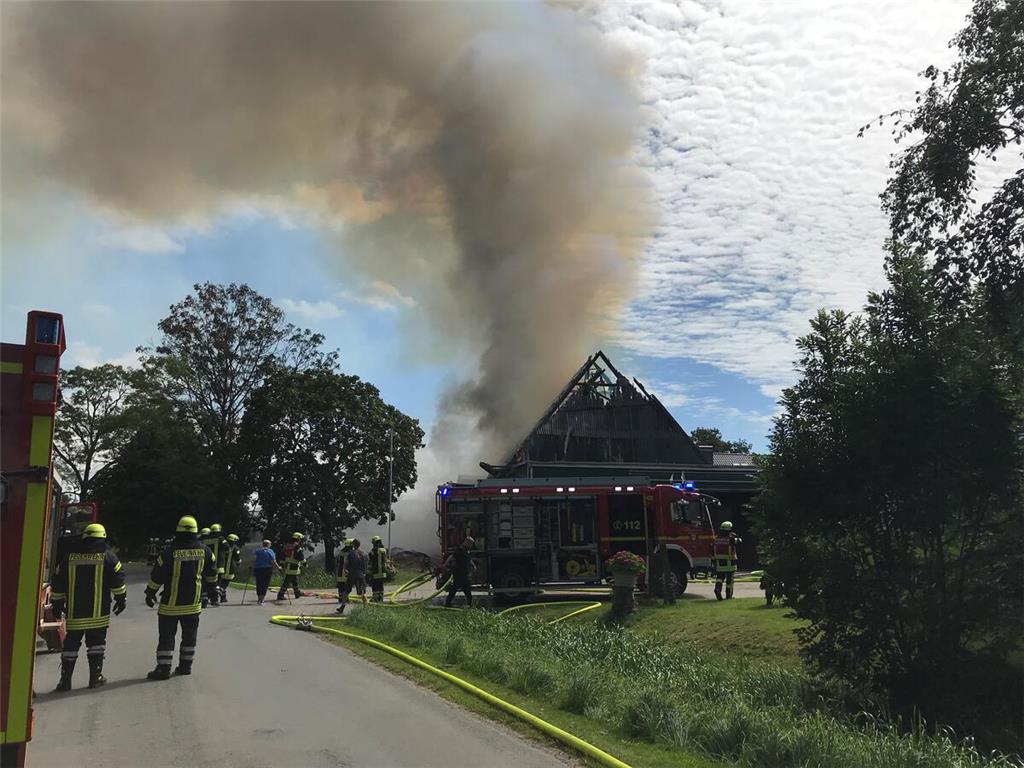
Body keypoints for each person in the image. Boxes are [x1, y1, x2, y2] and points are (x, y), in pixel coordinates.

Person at [50, 523, 126, 691]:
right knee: (96, 644)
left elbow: (58, 582)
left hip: (75, 612)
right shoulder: (109, 557)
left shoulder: (68, 557)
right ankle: (95, 677)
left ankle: (65, 681)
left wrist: (57, 604)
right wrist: (121, 600)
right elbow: (118, 581)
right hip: (99, 612)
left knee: (71, 644)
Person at [145, 515, 217, 680]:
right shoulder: (206, 552)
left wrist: (150, 593)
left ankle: (163, 669)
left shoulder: (168, 553)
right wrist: (213, 592)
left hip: (170, 605)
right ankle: (185, 666)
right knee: (189, 636)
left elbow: (157, 576)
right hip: (193, 605)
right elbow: (212, 575)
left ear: (178, 531)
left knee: (167, 637)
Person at [712, 521, 742, 601]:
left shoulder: (716, 539)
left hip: (719, 562)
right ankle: (728, 595)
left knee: (719, 577)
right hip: (730, 562)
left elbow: (712, 550)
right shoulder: (731, 539)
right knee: (730, 579)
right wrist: (736, 536)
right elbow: (739, 541)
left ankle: (717, 589)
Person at [443, 536, 476, 608]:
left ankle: (469, 604)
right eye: (470, 544)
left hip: (464, 574)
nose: (471, 546)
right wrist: (445, 565)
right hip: (459, 573)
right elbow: (452, 556)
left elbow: (469, 559)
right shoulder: (459, 550)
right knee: (457, 589)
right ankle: (448, 603)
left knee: (463, 590)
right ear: (466, 542)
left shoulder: (466, 551)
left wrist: (473, 566)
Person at [338, 539, 367, 614]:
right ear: (359, 545)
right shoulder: (363, 553)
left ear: (353, 545)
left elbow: (345, 563)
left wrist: (345, 570)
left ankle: (342, 607)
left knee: (346, 591)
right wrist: (364, 573)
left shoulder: (350, 553)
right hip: (360, 575)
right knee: (362, 592)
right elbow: (365, 564)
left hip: (351, 575)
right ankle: (366, 608)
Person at [276, 532, 306, 601]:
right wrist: (305, 564)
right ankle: (280, 595)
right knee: (287, 581)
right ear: (298, 539)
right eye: (300, 539)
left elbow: (283, 556)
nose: (301, 541)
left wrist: (281, 565)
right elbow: (300, 556)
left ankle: (297, 593)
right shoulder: (297, 547)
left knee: (294, 580)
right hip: (294, 567)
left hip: (287, 566)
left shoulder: (287, 546)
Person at [202, 523, 225, 605]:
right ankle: (214, 599)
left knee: (205, 583)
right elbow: (227, 547)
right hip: (218, 565)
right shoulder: (221, 539)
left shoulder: (205, 540)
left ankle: (205, 599)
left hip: (205, 565)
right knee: (215, 584)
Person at [252, 539, 280, 606]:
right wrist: (278, 567)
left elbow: (254, 560)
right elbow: (273, 561)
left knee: (259, 583)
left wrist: (252, 566)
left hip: (258, 569)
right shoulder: (270, 551)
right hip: (267, 569)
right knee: (265, 584)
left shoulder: (257, 551)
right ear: (268, 545)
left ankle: (259, 599)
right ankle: (261, 600)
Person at [218, 533, 242, 602]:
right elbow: (237, 559)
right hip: (230, 569)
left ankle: (223, 598)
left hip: (221, 567)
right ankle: (219, 593)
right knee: (224, 584)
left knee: (221, 582)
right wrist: (239, 563)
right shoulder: (235, 548)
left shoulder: (223, 546)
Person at [368, 535, 388, 603]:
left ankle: (375, 598)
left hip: (376, 570)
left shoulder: (373, 551)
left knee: (375, 584)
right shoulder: (384, 550)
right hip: (383, 571)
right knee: (381, 584)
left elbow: (370, 559)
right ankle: (381, 598)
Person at [335, 538, 353, 613]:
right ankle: (346, 599)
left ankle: (340, 598)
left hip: (340, 572)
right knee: (346, 587)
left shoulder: (341, 552)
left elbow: (337, 562)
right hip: (346, 572)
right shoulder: (350, 553)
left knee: (341, 586)